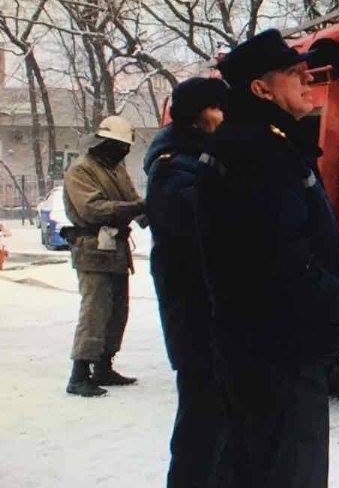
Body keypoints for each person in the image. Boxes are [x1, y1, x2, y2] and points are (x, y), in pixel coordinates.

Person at [196, 29, 339, 488]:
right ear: (260, 89)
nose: (307, 79)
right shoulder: (258, 151)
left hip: (263, 348)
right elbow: (282, 260)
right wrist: (330, 312)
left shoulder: (263, 142)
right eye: (292, 72)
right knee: (285, 471)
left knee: (251, 464)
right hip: (280, 351)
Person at [145, 77, 228, 488]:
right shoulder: (172, 169)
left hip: (210, 316)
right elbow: (206, 225)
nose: (225, 118)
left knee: (217, 422)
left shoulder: (196, 159)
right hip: (195, 318)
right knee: (201, 422)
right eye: (219, 109)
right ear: (199, 118)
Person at [63, 115, 146, 397]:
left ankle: (103, 365)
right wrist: (132, 208)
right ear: (105, 143)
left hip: (115, 249)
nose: (123, 152)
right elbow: (92, 208)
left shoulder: (115, 168)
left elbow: (133, 199)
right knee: (95, 310)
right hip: (92, 246)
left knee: (117, 310)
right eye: (120, 146)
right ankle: (79, 372)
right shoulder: (82, 170)